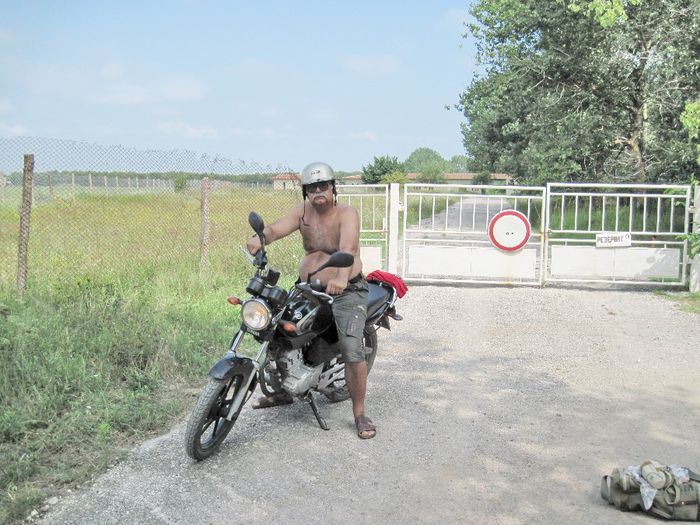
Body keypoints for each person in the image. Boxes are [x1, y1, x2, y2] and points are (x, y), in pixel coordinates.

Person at [245, 161, 376, 439]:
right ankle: (284, 391)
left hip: (347, 289)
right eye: (313, 186)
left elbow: (348, 248)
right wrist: (260, 238)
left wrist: (340, 278)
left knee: (352, 349)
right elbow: (277, 229)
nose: (319, 190)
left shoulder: (346, 213)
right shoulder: (302, 213)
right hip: (308, 286)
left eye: (324, 185)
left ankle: (360, 413)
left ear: (332, 188)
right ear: (306, 191)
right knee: (277, 331)